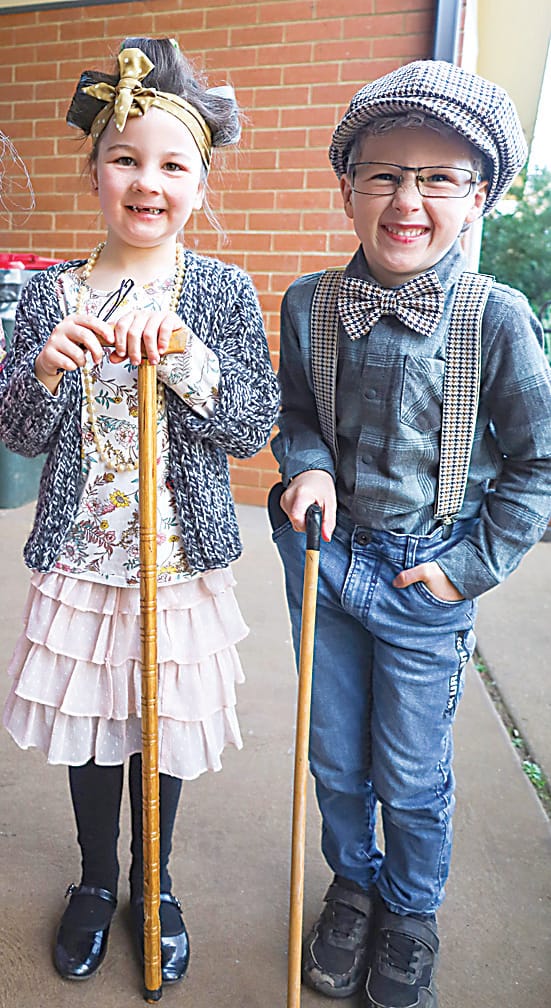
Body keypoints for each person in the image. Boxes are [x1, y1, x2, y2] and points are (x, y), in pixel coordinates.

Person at [270, 59, 551, 1008]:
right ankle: (353, 886)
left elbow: (537, 465)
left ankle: (412, 905)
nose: (407, 200)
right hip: (330, 563)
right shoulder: (310, 304)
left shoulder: (497, 318)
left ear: (477, 197)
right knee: (336, 754)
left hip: (426, 575)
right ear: (347, 185)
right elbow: (299, 412)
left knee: (410, 766)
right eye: (385, 173)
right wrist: (303, 461)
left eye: (438, 178)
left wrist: (465, 568)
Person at [0, 36, 279, 986]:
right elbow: (23, 431)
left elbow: (251, 424)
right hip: (85, 556)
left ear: (200, 185)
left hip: (176, 557)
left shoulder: (219, 291)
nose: (147, 181)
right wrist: (43, 368)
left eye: (172, 164)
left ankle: (151, 882)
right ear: (94, 175)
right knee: (92, 725)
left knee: (157, 726)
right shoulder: (50, 294)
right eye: (126, 159)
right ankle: (93, 880)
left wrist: (190, 357)